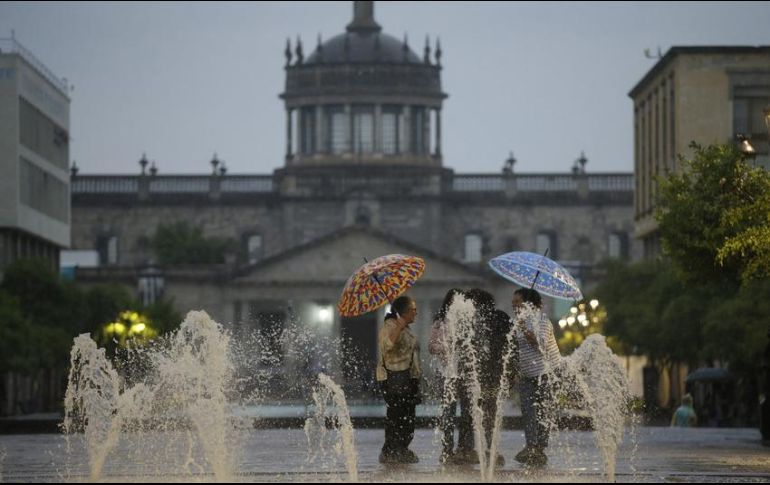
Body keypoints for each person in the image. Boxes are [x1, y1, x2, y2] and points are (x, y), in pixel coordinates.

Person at [466, 288, 518, 467]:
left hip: (482, 375)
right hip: (496, 374)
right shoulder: (502, 317)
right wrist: (512, 371)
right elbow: (513, 346)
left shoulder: (474, 320)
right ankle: (489, 448)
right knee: (490, 412)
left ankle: (485, 449)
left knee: (480, 412)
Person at [511, 288, 561, 467]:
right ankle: (531, 445)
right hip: (526, 374)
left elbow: (539, 344)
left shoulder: (542, 321)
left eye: (518, 303)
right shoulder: (517, 322)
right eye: (513, 303)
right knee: (528, 411)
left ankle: (539, 448)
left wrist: (523, 327)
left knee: (543, 411)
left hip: (546, 373)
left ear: (529, 304)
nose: (515, 306)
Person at [428, 288, 474, 464]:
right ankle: (447, 450)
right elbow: (431, 346)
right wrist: (447, 347)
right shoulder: (439, 323)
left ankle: (464, 448)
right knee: (448, 413)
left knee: (467, 412)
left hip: (465, 374)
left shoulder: (467, 322)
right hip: (447, 374)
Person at [376, 295, 422, 464]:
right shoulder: (390, 326)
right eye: (413, 310)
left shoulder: (407, 328)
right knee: (396, 415)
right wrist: (399, 326)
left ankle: (402, 447)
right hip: (394, 378)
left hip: (408, 378)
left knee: (408, 416)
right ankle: (390, 450)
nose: (416, 313)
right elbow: (386, 346)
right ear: (404, 312)